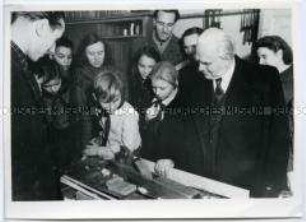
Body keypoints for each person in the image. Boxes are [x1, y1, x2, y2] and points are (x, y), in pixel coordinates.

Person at [194, 28, 289, 197]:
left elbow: (278, 136)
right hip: (203, 183)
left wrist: (273, 185)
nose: (200, 68)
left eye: (206, 63)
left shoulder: (264, 79)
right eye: (199, 61)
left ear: (225, 57)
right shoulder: (192, 78)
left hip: (248, 185)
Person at [11, 11, 65, 200]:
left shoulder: (16, 62)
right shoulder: (10, 68)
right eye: (54, 39)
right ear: (41, 27)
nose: (52, 51)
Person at [140, 61, 203, 177]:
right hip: (151, 166)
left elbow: (192, 146)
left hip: (176, 170)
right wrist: (146, 122)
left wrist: (173, 161)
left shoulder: (187, 107)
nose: (157, 93)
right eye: (154, 87)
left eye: (162, 88)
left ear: (175, 84)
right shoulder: (149, 100)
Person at [254, 35, 294, 194]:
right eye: (258, 58)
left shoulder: (295, 80)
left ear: (279, 54)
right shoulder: (268, 77)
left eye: (264, 57)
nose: (260, 63)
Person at [83, 68, 141, 159]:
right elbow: (106, 129)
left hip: (128, 154)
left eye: (115, 100)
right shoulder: (98, 109)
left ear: (121, 94)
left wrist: (99, 150)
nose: (111, 107)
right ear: (95, 98)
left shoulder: (129, 115)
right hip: (108, 146)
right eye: (106, 102)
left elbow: (128, 148)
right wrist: (99, 139)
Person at [72, 33, 112, 151]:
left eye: (100, 53)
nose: (97, 58)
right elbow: (83, 113)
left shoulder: (111, 70)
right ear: (84, 54)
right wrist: (86, 145)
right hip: (90, 131)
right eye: (91, 54)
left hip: (112, 129)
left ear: (106, 52)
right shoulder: (79, 75)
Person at [128, 45, 161, 120]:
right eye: (142, 66)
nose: (146, 71)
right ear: (136, 65)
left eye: (151, 67)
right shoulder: (129, 83)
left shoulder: (161, 87)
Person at [177, 27, 207, 107]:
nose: (190, 51)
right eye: (186, 47)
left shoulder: (216, 68)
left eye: (194, 46)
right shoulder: (183, 73)